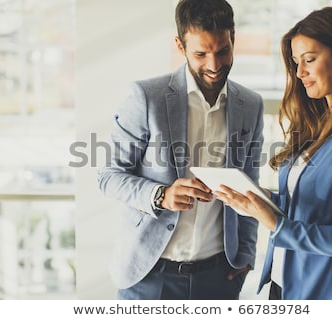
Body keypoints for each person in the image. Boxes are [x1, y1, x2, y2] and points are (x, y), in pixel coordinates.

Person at [215, 6, 332, 300]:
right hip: (284, 285)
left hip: (327, 293)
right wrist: (257, 200)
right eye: (296, 62)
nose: (300, 72)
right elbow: (310, 207)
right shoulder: (320, 124)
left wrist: (275, 223)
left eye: (310, 60)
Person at [97, 0, 264, 300]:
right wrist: (161, 195)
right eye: (201, 54)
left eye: (223, 51)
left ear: (233, 38)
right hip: (150, 276)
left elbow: (250, 189)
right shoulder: (147, 97)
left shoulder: (250, 105)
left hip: (219, 278)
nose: (214, 65)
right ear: (180, 44)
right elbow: (108, 175)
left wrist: (246, 256)